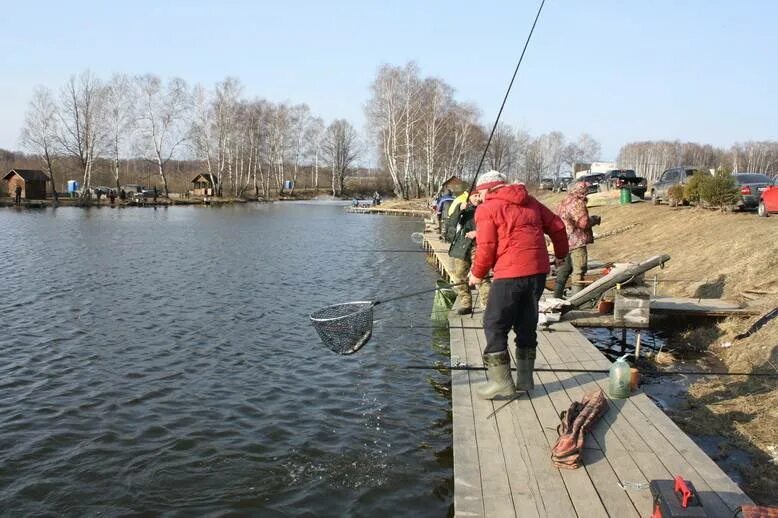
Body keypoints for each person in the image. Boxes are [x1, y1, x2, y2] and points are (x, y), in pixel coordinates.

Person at [467, 171, 569, 399]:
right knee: (526, 323)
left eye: (479, 192)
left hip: (510, 273)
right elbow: (558, 226)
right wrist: (561, 254)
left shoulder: (487, 209)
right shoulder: (530, 201)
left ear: (488, 188)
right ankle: (525, 380)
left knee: (494, 324)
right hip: (538, 272)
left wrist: (476, 274)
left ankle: (501, 383)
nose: (478, 196)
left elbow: (487, 248)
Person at [553, 181, 599, 299]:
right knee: (579, 270)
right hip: (577, 241)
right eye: (587, 191)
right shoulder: (578, 203)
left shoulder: (564, 201)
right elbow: (583, 223)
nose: (588, 193)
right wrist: (594, 219)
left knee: (564, 269)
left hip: (564, 240)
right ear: (583, 191)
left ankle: (556, 297)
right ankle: (577, 301)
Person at [447, 190, 490, 314]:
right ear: (469, 197)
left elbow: (492, 227)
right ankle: (466, 304)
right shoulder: (464, 208)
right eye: (474, 196)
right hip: (462, 246)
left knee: (482, 276)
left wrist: (478, 233)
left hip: (479, 246)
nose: (477, 198)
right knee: (459, 276)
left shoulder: (486, 208)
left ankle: (486, 306)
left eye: (478, 195)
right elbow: (451, 224)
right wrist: (459, 210)